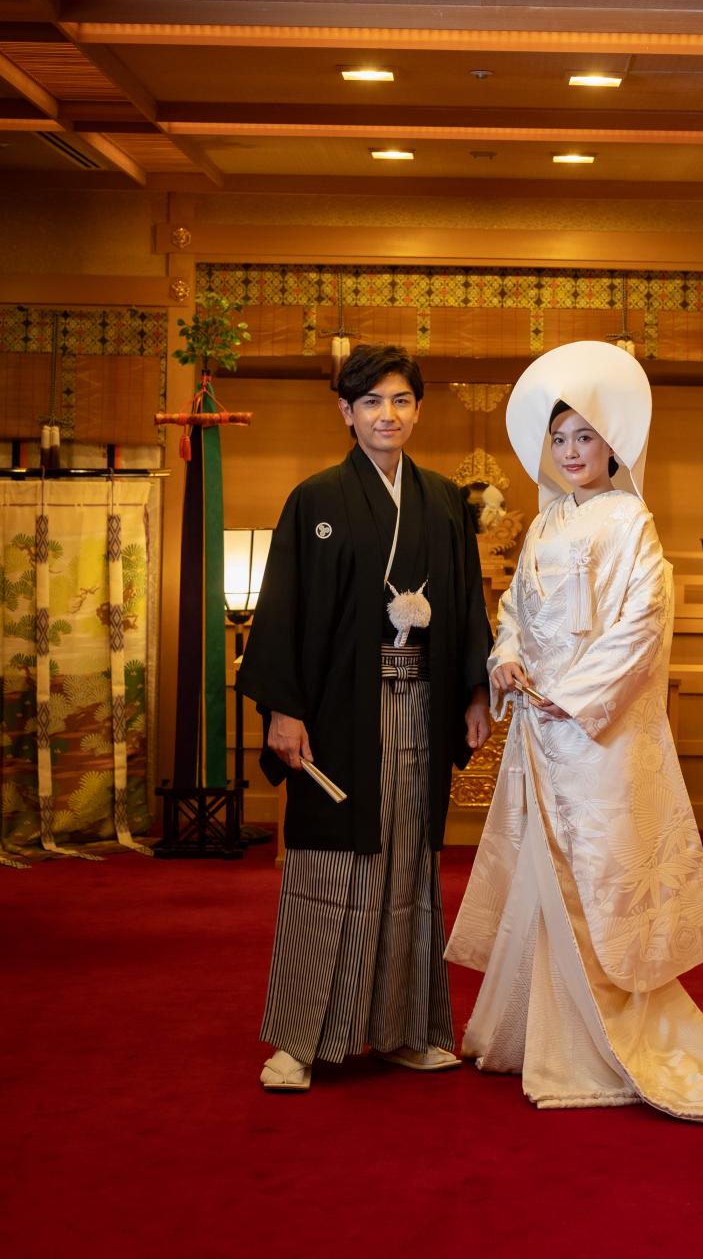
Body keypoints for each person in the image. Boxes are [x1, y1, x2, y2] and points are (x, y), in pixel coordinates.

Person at [446, 341, 703, 1128]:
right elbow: (513, 615)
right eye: (560, 439)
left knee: (598, 885)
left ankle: (600, 1044)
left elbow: (642, 627)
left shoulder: (631, 522)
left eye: (586, 439)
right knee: (545, 879)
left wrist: (569, 698)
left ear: (613, 446)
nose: (572, 453)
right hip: (539, 735)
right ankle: (542, 1034)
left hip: (596, 739)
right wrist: (503, 663)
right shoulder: (540, 529)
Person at [237, 343, 493, 1092]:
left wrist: (474, 694)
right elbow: (282, 606)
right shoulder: (314, 500)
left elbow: (470, 606)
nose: (389, 414)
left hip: (418, 701)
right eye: (372, 402)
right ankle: (297, 1040)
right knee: (329, 860)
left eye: (402, 400)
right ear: (346, 413)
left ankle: (403, 1030)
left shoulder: (445, 500)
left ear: (418, 409)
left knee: (410, 861)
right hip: (338, 711)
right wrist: (284, 708)